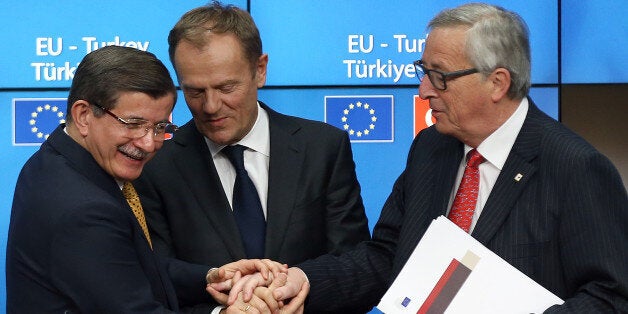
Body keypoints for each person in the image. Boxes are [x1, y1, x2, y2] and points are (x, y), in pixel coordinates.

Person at [224, 3, 628, 313]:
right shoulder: (430, 148)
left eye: (440, 76)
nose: (422, 91)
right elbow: (386, 256)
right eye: (423, 70)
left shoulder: (575, 167)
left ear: (497, 82)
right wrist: (303, 278)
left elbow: (610, 297)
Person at [5, 45, 292, 313]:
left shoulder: (58, 159)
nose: (148, 143)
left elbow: (128, 265)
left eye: (160, 127)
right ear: (83, 115)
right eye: (134, 124)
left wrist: (212, 276)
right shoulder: (84, 211)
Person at [133, 2, 369, 311]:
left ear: (260, 70)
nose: (211, 106)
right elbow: (155, 281)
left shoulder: (323, 147)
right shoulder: (155, 165)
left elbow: (356, 268)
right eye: (195, 92)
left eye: (226, 87)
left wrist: (294, 295)